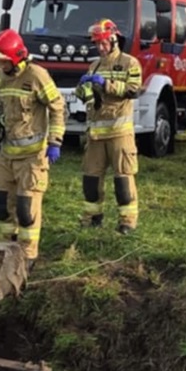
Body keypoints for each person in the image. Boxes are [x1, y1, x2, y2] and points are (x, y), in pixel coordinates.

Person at [0, 29, 65, 263]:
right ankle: (9, 249)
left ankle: (28, 256)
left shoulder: (37, 75)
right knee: (1, 205)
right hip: (7, 155)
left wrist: (55, 142)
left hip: (32, 157)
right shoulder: (4, 78)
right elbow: (3, 109)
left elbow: (58, 107)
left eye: (2, 60)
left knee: (26, 211)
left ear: (15, 57)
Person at [75, 19, 142, 234]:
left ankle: (127, 222)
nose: (100, 48)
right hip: (95, 134)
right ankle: (92, 218)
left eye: (103, 43)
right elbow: (88, 97)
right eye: (97, 44)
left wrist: (106, 84)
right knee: (91, 180)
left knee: (123, 180)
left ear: (114, 40)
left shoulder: (129, 63)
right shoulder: (94, 65)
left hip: (119, 133)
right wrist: (82, 89)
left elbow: (133, 90)